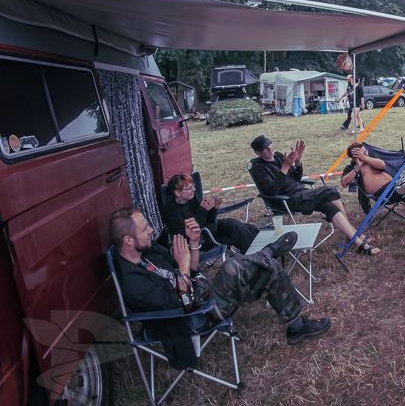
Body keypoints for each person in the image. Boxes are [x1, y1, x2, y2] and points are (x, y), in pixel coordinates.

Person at [110, 207, 331, 367]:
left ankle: (297, 327)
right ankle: (268, 251)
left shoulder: (150, 253)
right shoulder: (133, 283)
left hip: (203, 294)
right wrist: (183, 265)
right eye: (144, 228)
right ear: (128, 240)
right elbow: (183, 305)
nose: (151, 230)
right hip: (194, 318)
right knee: (233, 267)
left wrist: (193, 243)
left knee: (268, 268)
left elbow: (192, 271)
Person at [249, 135, 381, 256]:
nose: (269, 148)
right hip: (287, 200)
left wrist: (297, 162)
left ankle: (358, 243)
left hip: (302, 193)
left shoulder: (278, 156)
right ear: (258, 153)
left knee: (329, 207)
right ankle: (355, 234)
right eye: (265, 148)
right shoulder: (259, 167)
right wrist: (285, 167)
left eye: (269, 145)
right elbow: (272, 191)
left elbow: (296, 178)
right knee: (331, 191)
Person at [161, 173, 259, 254]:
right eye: (189, 188)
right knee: (238, 234)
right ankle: (254, 255)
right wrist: (203, 210)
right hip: (201, 238)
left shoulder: (192, 198)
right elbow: (190, 232)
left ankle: (258, 252)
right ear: (177, 193)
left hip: (210, 228)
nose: (194, 190)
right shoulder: (171, 211)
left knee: (236, 225)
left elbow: (209, 219)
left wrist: (214, 208)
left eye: (193, 186)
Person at [340, 142, 405, 216]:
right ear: (354, 158)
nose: (366, 154)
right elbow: (344, 183)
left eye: (365, 151)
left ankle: (404, 184)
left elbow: (382, 165)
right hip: (383, 194)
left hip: (395, 185)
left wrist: (364, 158)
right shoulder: (352, 168)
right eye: (362, 153)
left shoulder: (371, 160)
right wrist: (357, 168)